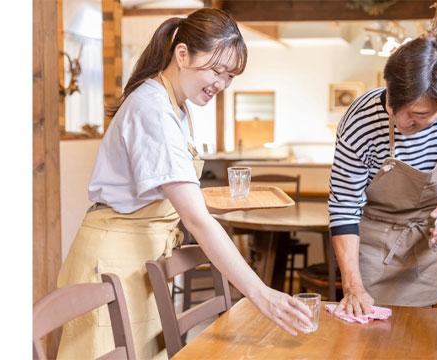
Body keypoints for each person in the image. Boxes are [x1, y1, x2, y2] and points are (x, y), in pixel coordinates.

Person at [56, 8, 312, 360]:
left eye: (230, 76)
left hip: (139, 258)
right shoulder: (153, 108)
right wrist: (259, 292)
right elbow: (195, 218)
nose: (221, 83)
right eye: (216, 70)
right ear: (182, 54)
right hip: (111, 260)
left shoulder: (175, 105)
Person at [329, 37, 437, 316]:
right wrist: (353, 287)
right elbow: (344, 207)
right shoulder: (359, 119)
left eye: (418, 114)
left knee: (419, 337)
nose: (401, 122)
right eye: (393, 106)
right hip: (370, 245)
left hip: (423, 242)